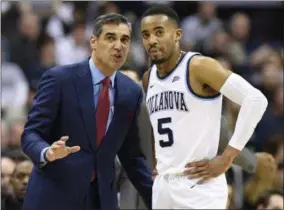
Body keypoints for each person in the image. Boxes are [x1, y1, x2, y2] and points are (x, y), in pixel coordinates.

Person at [140, 6, 268, 209]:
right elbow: (160, 126)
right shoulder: (149, 78)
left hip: (199, 186)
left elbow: (256, 100)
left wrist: (227, 158)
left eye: (159, 32)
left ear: (177, 35)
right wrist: (157, 165)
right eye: (145, 35)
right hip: (163, 186)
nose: (152, 40)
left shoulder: (199, 66)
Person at [21, 13, 152, 210]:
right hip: (54, 197)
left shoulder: (130, 91)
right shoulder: (59, 79)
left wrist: (159, 197)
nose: (119, 45)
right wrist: (47, 152)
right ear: (93, 41)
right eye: (110, 37)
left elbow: (131, 156)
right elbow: (31, 134)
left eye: (124, 39)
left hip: (101, 199)